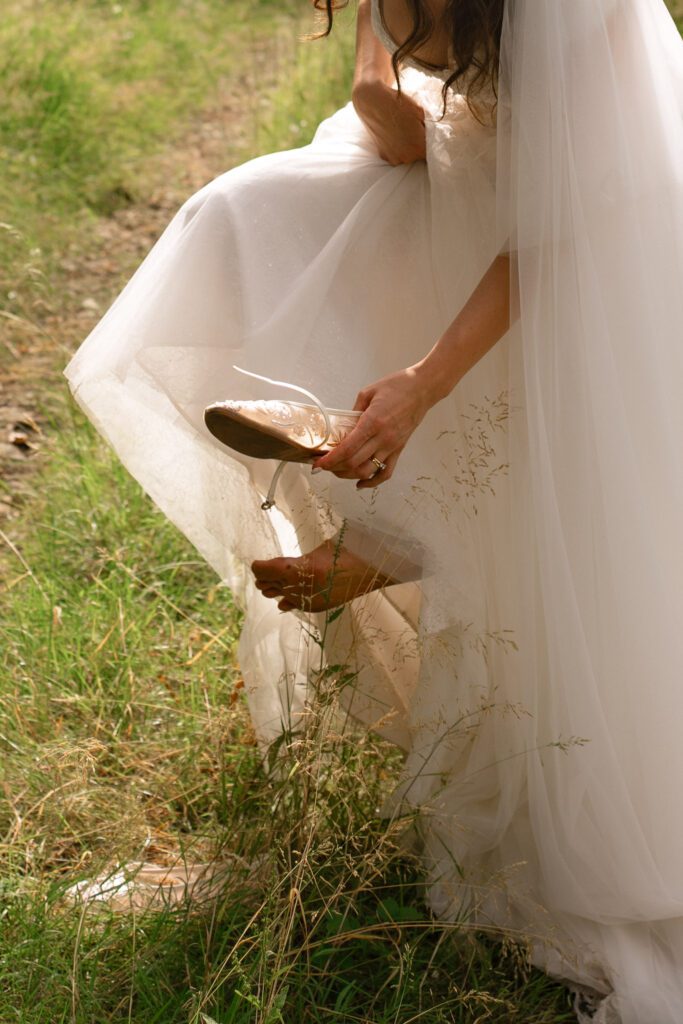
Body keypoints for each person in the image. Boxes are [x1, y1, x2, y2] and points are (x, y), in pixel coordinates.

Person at [64, 0, 683, 1020]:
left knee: (535, 431)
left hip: (606, 240)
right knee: (240, 216)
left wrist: (423, 381)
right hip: (478, 178)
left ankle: (398, 532)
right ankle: (375, 497)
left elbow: (577, 222)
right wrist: (376, 61)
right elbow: (386, 121)